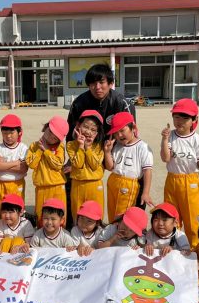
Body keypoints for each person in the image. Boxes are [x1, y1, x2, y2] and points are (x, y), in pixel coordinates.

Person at [65, 63, 136, 228]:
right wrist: (72, 158)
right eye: (93, 83)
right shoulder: (79, 103)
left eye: (102, 82)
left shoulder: (121, 102)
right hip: (85, 147)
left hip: (113, 146)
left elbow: (131, 133)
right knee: (71, 177)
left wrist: (113, 154)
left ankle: (129, 225)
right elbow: (70, 134)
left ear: (110, 83)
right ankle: (72, 225)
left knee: (129, 179)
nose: (98, 87)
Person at [160, 99, 199, 247]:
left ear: (194, 120)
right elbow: (166, 158)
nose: (180, 121)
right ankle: (173, 249)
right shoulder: (170, 136)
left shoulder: (197, 140)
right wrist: (164, 140)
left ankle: (194, 250)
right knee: (172, 217)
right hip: (172, 180)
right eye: (177, 117)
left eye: (185, 118)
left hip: (191, 182)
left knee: (192, 220)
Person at [104, 112, 154, 222]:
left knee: (125, 217)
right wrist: (107, 152)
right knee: (113, 214)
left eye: (122, 130)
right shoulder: (117, 146)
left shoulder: (143, 147)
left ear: (133, 128)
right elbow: (110, 167)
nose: (119, 135)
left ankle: (124, 237)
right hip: (113, 181)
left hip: (129, 184)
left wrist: (145, 192)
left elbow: (147, 171)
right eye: (116, 133)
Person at [26, 116, 68, 228]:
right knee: (41, 214)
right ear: (46, 127)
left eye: (55, 138)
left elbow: (58, 164)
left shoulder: (60, 147)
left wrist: (47, 151)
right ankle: (41, 237)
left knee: (59, 214)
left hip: (58, 186)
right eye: (50, 132)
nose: (51, 138)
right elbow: (31, 164)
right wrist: (40, 150)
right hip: (41, 187)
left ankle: (60, 237)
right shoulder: (34, 146)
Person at [66, 110, 105, 224]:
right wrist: (81, 146)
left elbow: (94, 165)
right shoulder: (71, 145)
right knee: (77, 214)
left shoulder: (99, 146)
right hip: (78, 183)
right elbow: (78, 164)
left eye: (93, 130)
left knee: (96, 214)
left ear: (97, 133)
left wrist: (88, 148)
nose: (88, 132)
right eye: (86, 127)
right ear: (78, 126)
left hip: (95, 184)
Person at [0, 114, 28, 206]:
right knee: (3, 209)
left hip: (17, 183)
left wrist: (4, 164)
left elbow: (23, 168)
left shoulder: (23, 148)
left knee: (17, 209)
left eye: (12, 133)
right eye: (4, 133)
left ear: (19, 132)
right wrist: (16, 162)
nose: (8, 136)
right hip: (2, 184)